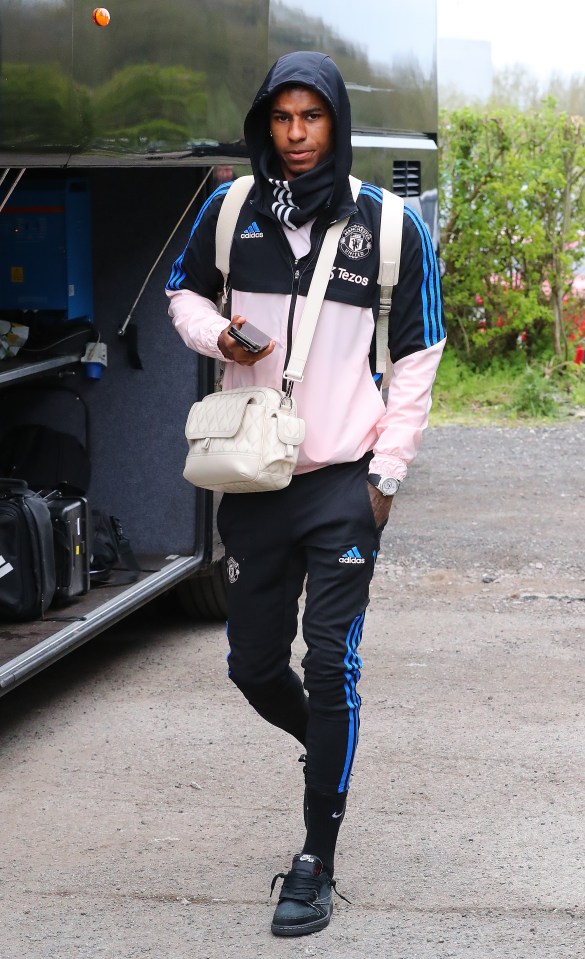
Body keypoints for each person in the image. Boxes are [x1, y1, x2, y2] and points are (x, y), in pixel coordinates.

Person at [166, 51, 446, 938]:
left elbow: (417, 358)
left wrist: (386, 476)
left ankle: (315, 856)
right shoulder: (229, 210)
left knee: (330, 665)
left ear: (336, 123)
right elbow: (180, 294)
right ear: (264, 124)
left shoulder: (389, 227)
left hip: (343, 485)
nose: (294, 136)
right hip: (253, 477)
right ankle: (325, 747)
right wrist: (219, 333)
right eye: (281, 119)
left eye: (310, 118)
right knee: (252, 665)